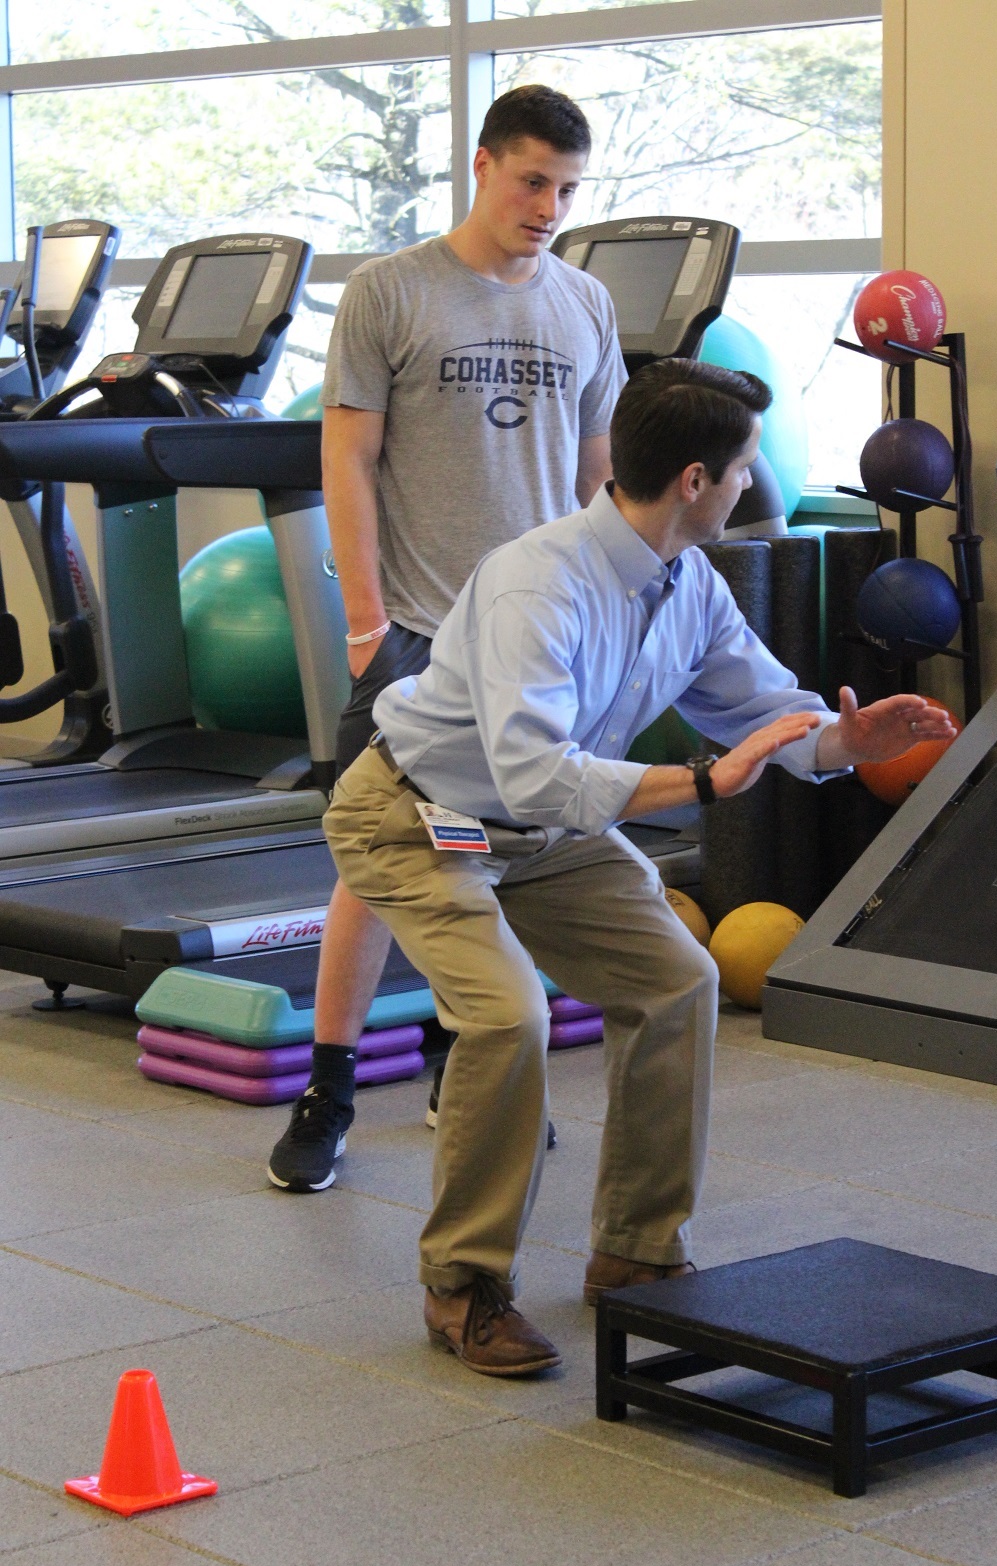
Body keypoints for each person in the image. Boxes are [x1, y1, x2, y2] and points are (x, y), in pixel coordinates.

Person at [321, 358, 957, 1377]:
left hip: (545, 832)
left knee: (680, 979)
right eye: (744, 466)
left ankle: (638, 1251)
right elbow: (534, 773)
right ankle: (464, 1282)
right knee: (504, 1013)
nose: (753, 484)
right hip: (418, 816)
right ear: (696, 480)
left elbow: (764, 710)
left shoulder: (688, 581)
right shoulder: (542, 583)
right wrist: (704, 785)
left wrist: (844, 742)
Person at [268, 84, 626, 1192]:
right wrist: (366, 622)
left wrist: (605, 611)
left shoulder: (585, 304)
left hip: (536, 639)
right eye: (532, 182)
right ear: (482, 165)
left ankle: (462, 1060)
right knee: (374, 864)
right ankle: (328, 1091)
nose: (549, 207)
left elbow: (595, 473)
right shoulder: (391, 291)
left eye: (567, 189)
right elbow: (349, 460)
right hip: (421, 630)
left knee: (497, 856)